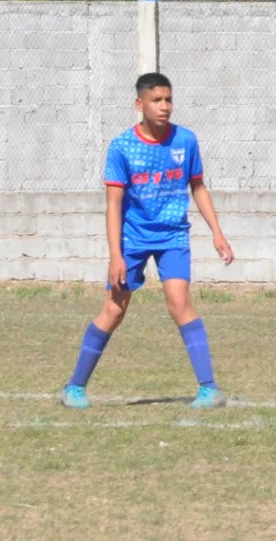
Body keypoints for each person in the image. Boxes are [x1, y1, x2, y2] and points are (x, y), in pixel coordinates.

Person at [62, 73, 235, 410]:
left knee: (179, 304)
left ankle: (209, 389)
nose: (164, 107)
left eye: (168, 99)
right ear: (139, 104)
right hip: (133, 238)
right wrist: (116, 255)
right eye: (156, 100)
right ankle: (74, 387)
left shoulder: (185, 140)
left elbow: (198, 186)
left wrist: (217, 232)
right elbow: (113, 205)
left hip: (173, 235)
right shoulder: (122, 147)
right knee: (114, 309)